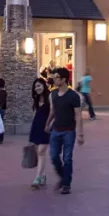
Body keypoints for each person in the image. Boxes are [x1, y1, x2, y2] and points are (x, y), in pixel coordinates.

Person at [45, 67, 84, 195]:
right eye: (54, 77)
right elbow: (53, 111)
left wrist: (80, 134)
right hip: (56, 130)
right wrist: (47, 123)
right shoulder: (53, 94)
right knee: (54, 156)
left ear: (63, 79)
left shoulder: (73, 96)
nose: (54, 80)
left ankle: (66, 184)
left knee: (67, 158)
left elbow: (78, 115)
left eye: (57, 78)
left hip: (69, 131)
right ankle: (63, 177)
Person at [29, 78, 52, 189]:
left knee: (41, 151)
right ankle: (42, 175)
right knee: (39, 152)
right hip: (37, 126)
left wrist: (50, 125)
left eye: (39, 85)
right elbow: (36, 113)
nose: (37, 88)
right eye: (35, 86)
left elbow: (54, 113)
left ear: (44, 85)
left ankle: (37, 177)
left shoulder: (50, 97)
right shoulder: (36, 98)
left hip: (46, 127)